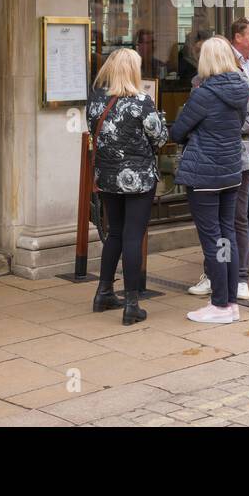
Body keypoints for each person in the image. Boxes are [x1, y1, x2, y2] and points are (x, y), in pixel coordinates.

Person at [171, 37, 249, 323]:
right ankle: (230, 301)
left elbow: (178, 131)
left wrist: (195, 133)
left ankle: (219, 304)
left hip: (205, 175)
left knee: (212, 240)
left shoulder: (204, 94)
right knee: (226, 235)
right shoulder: (242, 88)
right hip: (230, 170)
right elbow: (240, 124)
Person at [87, 48, 168, 325]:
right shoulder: (141, 101)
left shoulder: (96, 101)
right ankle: (132, 303)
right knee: (134, 236)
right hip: (138, 180)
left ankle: (104, 292)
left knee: (115, 234)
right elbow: (159, 138)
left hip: (107, 178)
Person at [187, 21, 249, 300]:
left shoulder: (243, 79)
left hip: (238, 160)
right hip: (209, 163)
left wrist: (223, 126)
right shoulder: (199, 83)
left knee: (234, 221)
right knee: (216, 228)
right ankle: (215, 274)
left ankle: (238, 276)